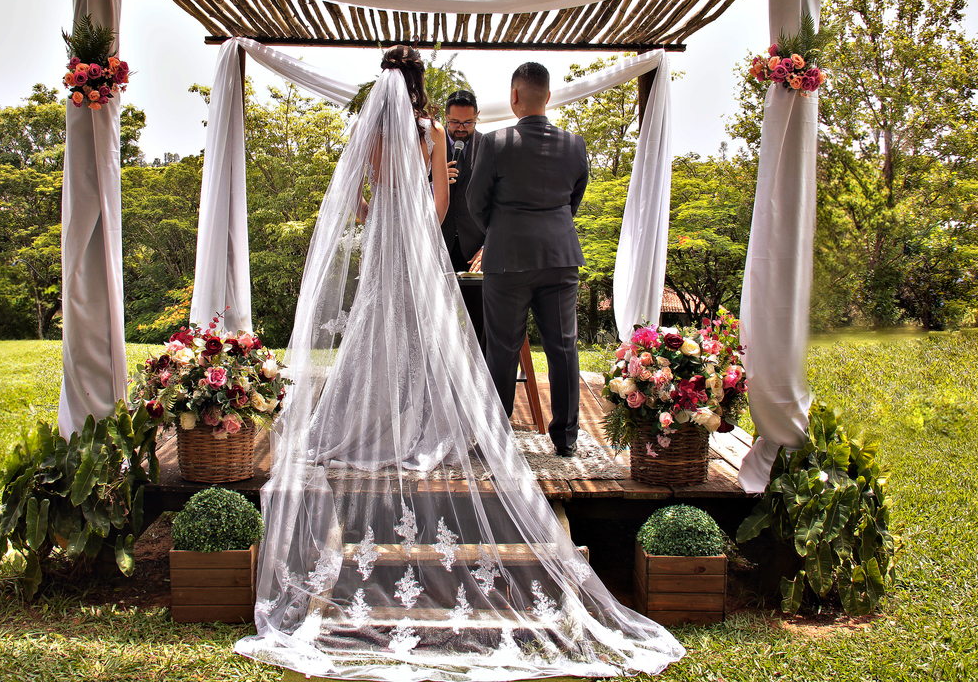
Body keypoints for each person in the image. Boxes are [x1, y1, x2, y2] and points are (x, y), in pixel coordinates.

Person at [233, 46, 683, 681]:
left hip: (414, 248)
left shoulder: (379, 127)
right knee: (488, 344)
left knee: (384, 334)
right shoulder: (439, 133)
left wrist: (388, 223)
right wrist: (425, 237)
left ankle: (381, 421)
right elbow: (446, 204)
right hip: (480, 246)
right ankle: (538, 431)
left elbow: (367, 199)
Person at [467, 61, 588, 458]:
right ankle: (566, 439)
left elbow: (474, 202)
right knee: (563, 346)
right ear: (548, 96)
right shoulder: (575, 144)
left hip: (507, 260)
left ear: (514, 96)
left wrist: (500, 230)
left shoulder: (496, 142)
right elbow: (573, 199)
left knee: (501, 348)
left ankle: (497, 441)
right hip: (560, 257)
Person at [440, 89, 487, 346]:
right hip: (437, 247)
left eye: (468, 122)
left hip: (476, 252)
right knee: (436, 321)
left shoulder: (489, 146)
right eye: (455, 122)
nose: (461, 128)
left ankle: (477, 383)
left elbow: (498, 202)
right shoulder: (429, 147)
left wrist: (487, 246)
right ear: (445, 116)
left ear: (477, 116)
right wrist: (434, 182)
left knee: (479, 323)